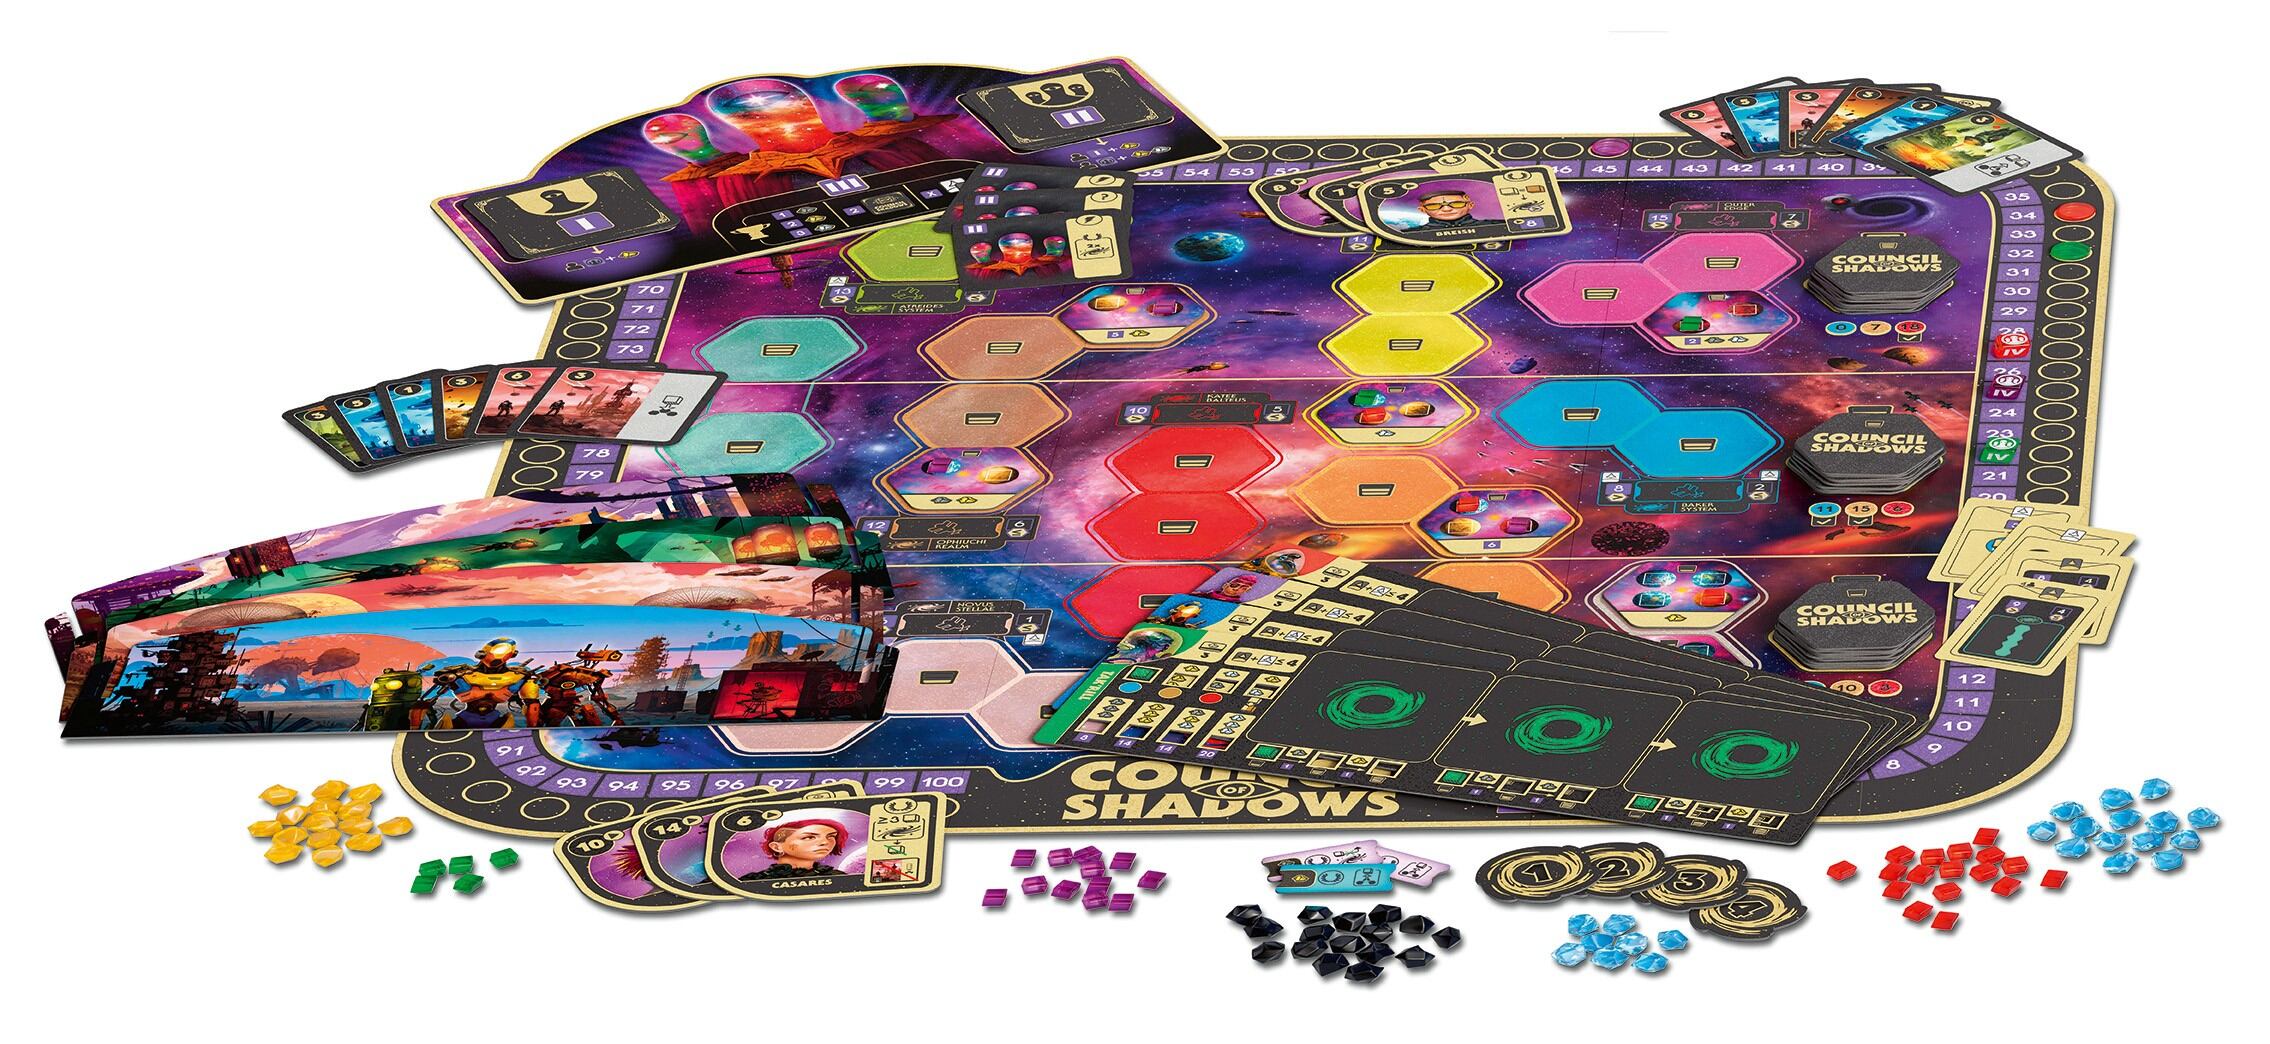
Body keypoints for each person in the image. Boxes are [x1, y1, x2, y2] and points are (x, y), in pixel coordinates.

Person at [742, 818, 850, 879]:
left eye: (831, 836)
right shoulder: (753, 880)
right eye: (809, 837)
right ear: (777, 847)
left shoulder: (838, 877)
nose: (825, 842)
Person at [1413, 188, 1483, 228]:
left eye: (1456, 204)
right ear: (1422, 210)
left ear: (1470, 205)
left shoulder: (1488, 226)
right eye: (1434, 206)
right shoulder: (1413, 234)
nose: (1446, 209)